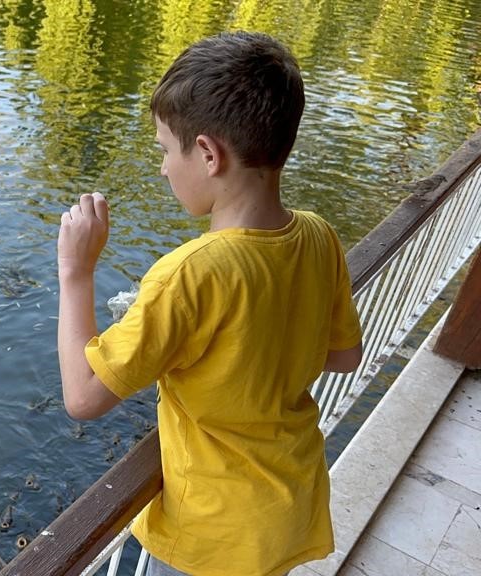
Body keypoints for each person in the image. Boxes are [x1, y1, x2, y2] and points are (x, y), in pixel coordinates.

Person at [56, 31, 363, 576]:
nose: (162, 169)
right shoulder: (318, 236)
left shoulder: (189, 274)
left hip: (211, 536)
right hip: (285, 506)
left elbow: (83, 396)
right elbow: (341, 355)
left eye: (163, 151)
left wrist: (75, 273)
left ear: (206, 153)